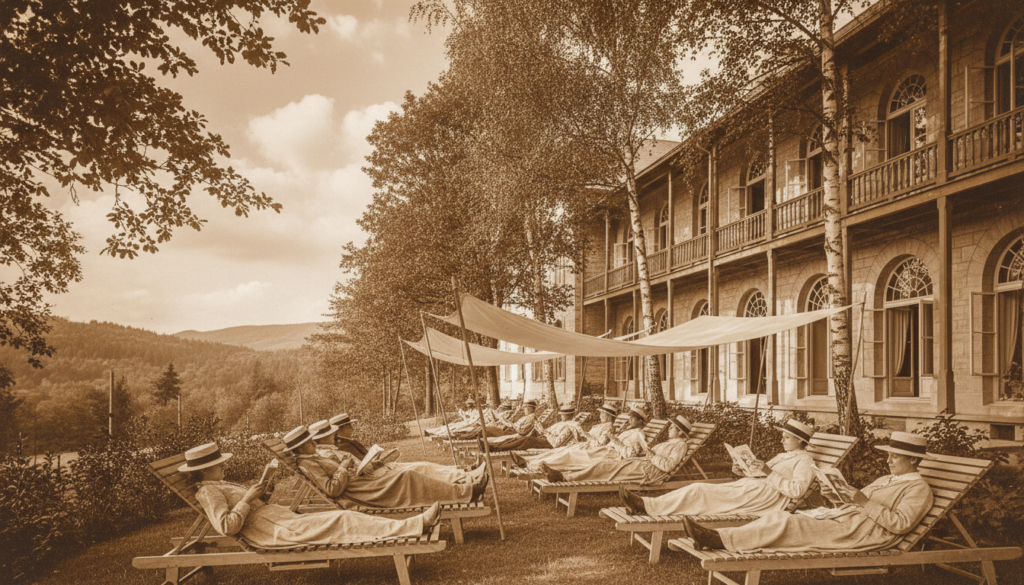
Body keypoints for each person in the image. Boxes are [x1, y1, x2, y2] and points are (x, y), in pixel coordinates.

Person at [683, 431, 935, 554]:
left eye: (895, 457)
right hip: (844, 519)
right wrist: (834, 493)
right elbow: (854, 502)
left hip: (861, 532)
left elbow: (900, 524)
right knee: (780, 518)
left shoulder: (918, 489)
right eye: (888, 455)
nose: (889, 461)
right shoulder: (886, 479)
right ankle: (719, 537)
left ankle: (719, 540)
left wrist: (863, 501)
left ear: (913, 461)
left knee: (787, 521)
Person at [183, 441, 441, 547]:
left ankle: (414, 524)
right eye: (218, 465)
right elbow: (227, 526)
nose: (223, 466)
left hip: (282, 520)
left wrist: (264, 489)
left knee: (345, 518)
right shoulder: (207, 492)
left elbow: (250, 506)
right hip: (275, 531)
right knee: (345, 519)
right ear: (206, 470)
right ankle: (417, 524)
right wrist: (247, 498)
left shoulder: (217, 485)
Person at [619, 419, 816, 517]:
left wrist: (767, 471)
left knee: (699, 489)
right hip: (750, 487)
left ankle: (647, 506)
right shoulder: (785, 455)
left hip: (762, 496)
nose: (782, 439)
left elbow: (797, 490)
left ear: (800, 441)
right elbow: (764, 474)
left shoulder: (804, 461)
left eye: (787, 437)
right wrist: (743, 469)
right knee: (699, 489)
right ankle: (648, 505)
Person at [284, 425, 488, 509]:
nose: (315, 444)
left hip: (362, 483)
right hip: (360, 491)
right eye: (311, 442)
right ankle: (467, 491)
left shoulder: (311, 457)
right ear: (302, 447)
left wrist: (354, 466)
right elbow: (331, 489)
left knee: (412, 473)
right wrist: (344, 467)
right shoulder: (307, 464)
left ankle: (466, 486)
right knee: (409, 475)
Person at [309, 419, 484, 484]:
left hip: (372, 472)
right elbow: (346, 473)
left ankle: (464, 474)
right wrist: (355, 466)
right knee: (417, 470)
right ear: (322, 438)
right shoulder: (328, 454)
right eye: (330, 434)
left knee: (422, 465)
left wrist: (373, 462)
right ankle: (465, 477)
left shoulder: (330, 450)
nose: (334, 435)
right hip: (369, 480)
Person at [540, 415, 693, 485]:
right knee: (603, 467)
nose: (669, 430)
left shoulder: (680, 445)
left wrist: (651, 455)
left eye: (672, 428)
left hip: (649, 471)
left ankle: (564, 478)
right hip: (641, 463)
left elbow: (668, 466)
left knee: (603, 467)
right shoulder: (669, 442)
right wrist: (649, 453)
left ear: (680, 432)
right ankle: (563, 475)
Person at [511, 402, 619, 471]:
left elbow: (600, 445)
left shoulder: (608, 428)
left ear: (608, 416)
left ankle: (534, 465)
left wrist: (584, 434)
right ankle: (528, 460)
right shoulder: (600, 426)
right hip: (584, 445)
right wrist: (584, 435)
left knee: (566, 453)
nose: (600, 415)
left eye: (602, 414)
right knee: (558, 451)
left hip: (592, 451)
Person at [484, 400, 552, 451]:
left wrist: (509, 424)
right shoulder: (527, 417)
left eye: (526, 408)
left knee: (507, 440)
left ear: (530, 409)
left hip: (522, 436)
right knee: (504, 439)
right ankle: (490, 446)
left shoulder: (532, 417)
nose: (525, 409)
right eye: (525, 408)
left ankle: (492, 447)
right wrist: (508, 423)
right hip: (518, 434)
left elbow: (522, 430)